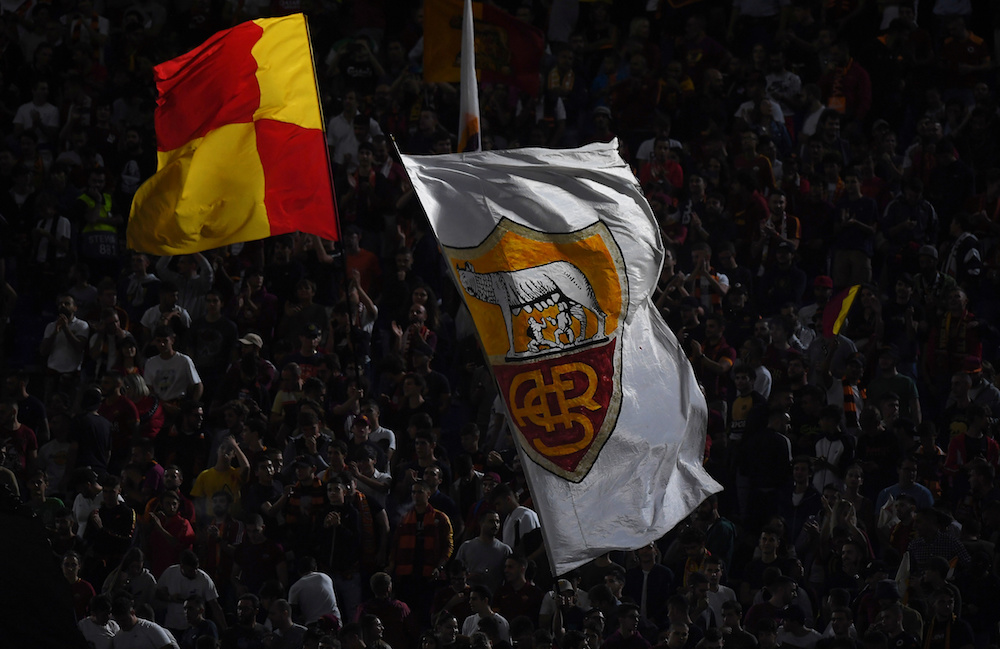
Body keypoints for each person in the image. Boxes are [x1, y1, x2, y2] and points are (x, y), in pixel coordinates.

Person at [111, 594, 179, 649]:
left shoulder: (151, 629)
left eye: (124, 620)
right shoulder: (118, 638)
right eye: (118, 621)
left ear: (132, 612)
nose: (122, 624)